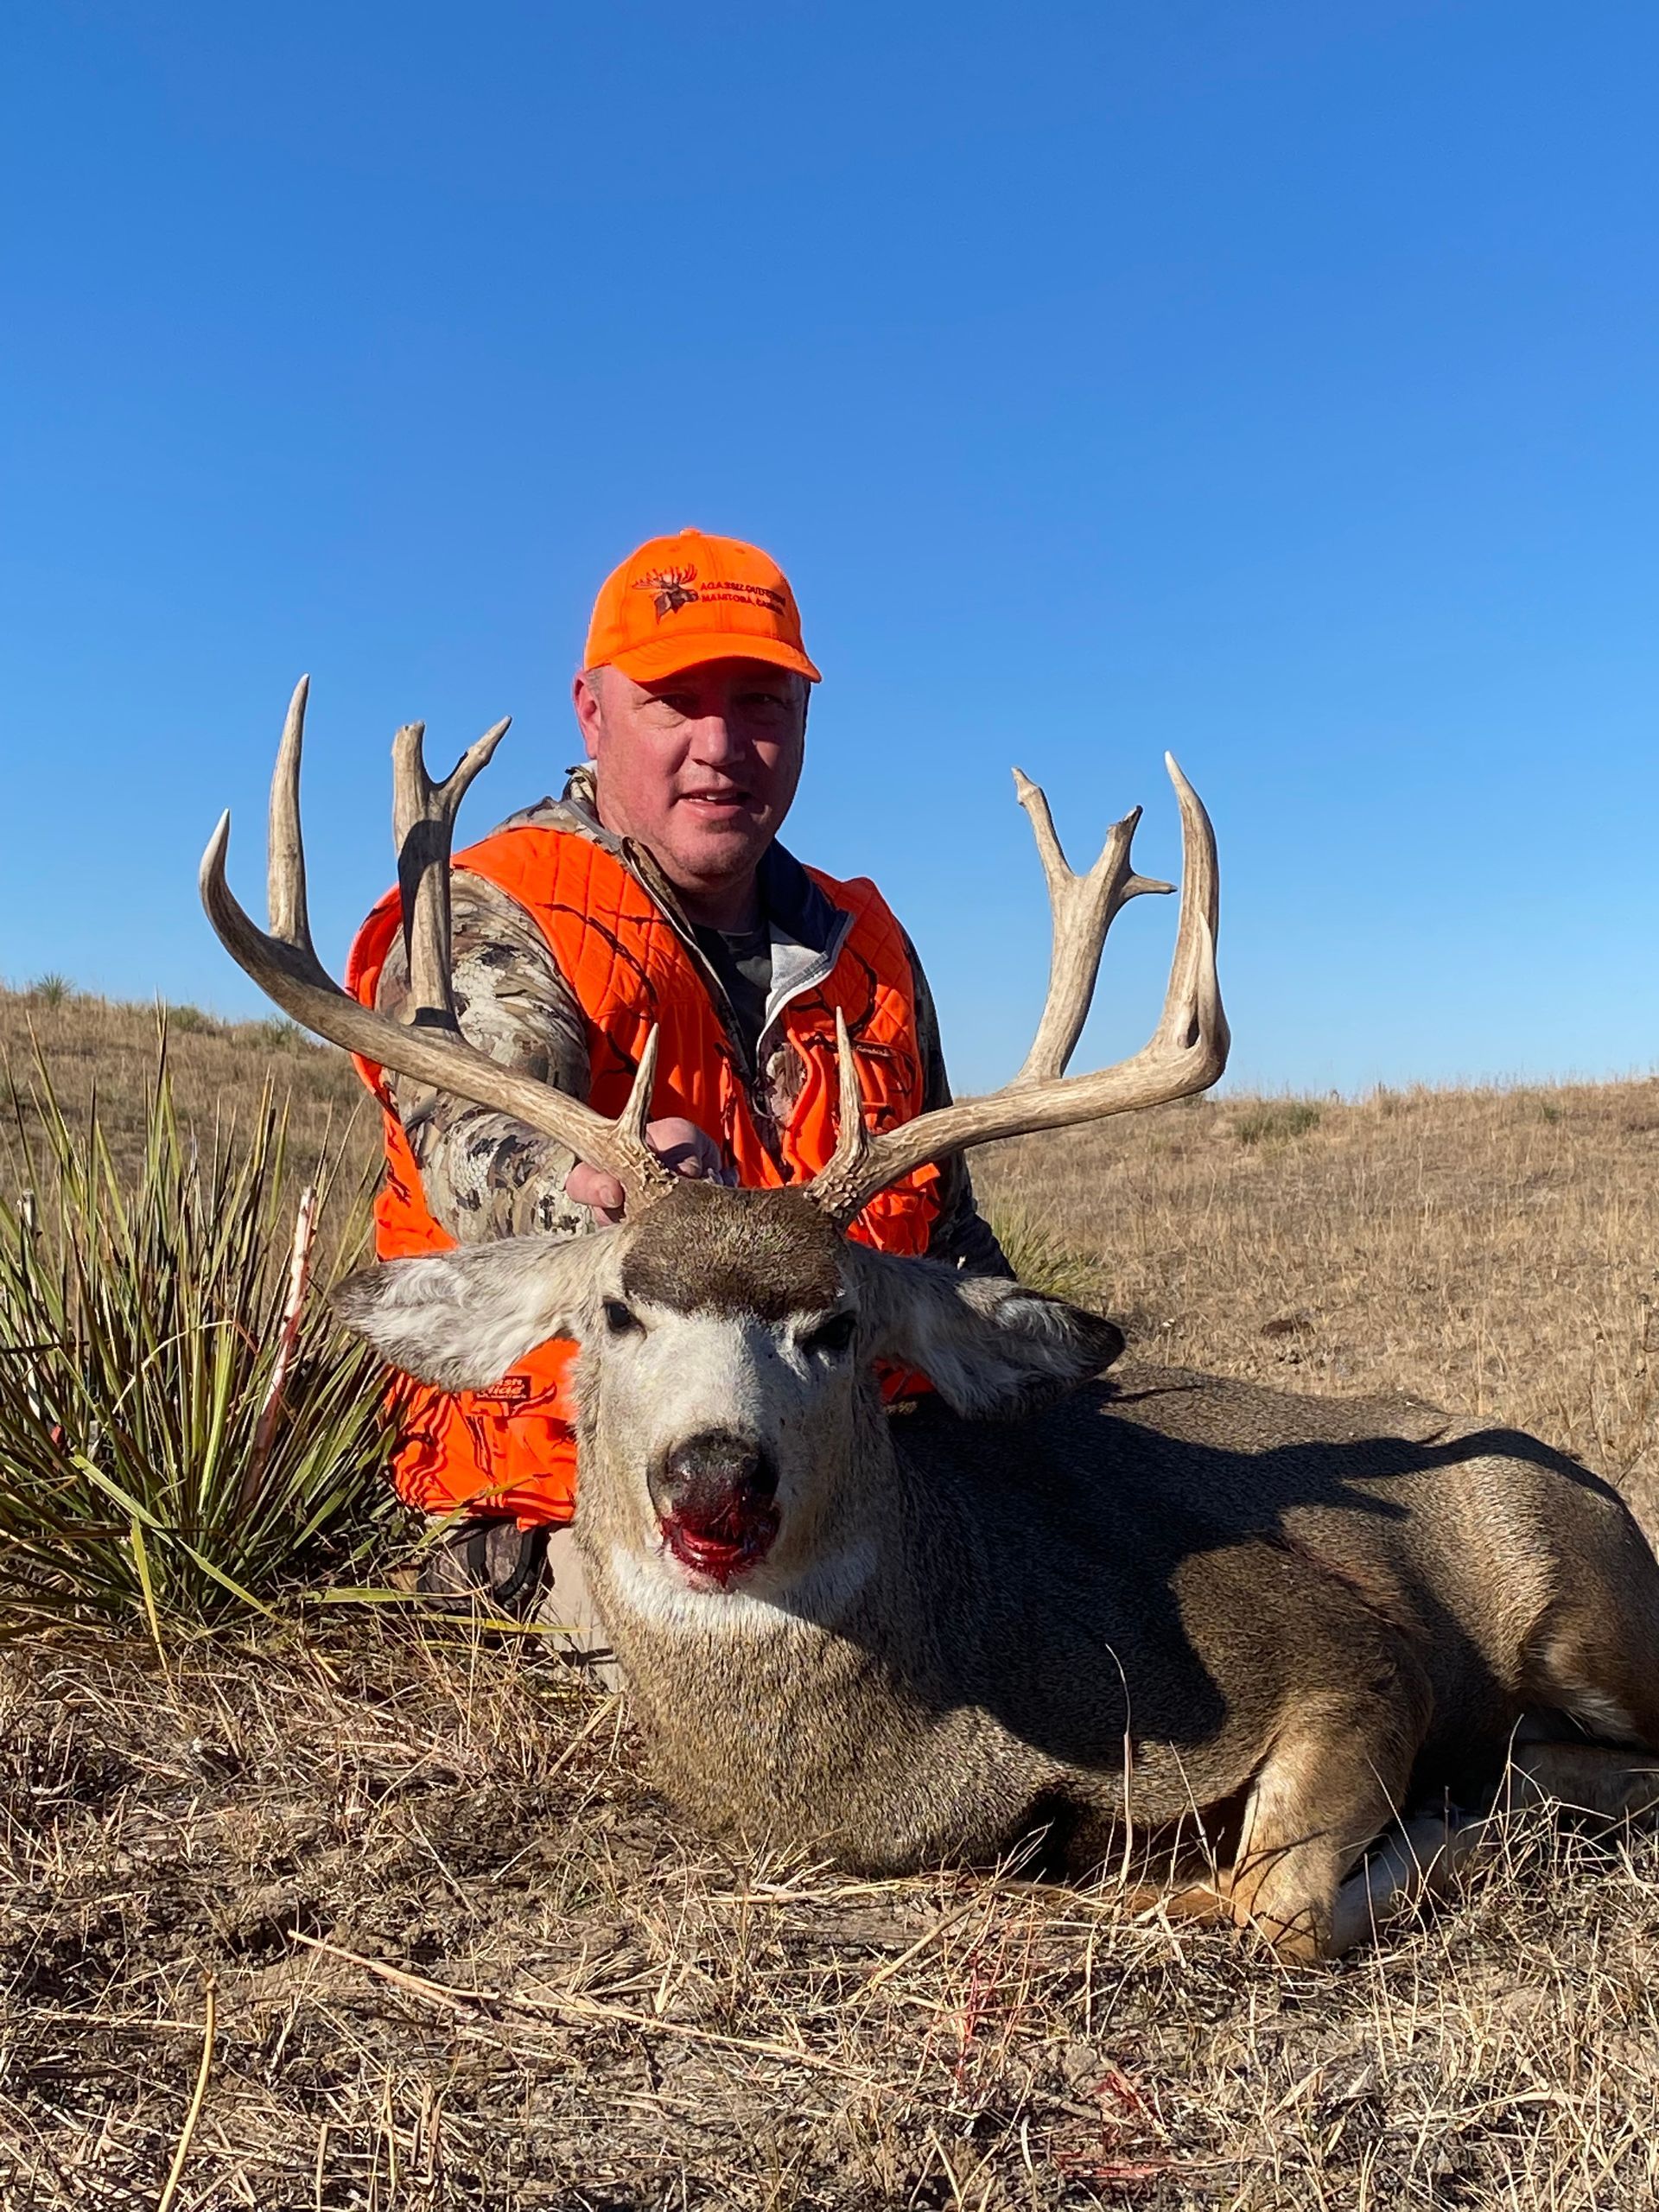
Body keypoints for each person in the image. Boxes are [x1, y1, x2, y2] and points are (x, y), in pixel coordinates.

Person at [346, 529, 1009, 1640]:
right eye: (672, 701)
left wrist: (1039, 1394)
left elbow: (950, 1227)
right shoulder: (492, 911)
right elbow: (470, 1146)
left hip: (847, 1473)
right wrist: (598, 1189)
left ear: (803, 722)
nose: (721, 745)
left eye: (760, 702)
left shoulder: (870, 950)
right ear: (592, 711)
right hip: (567, 1500)